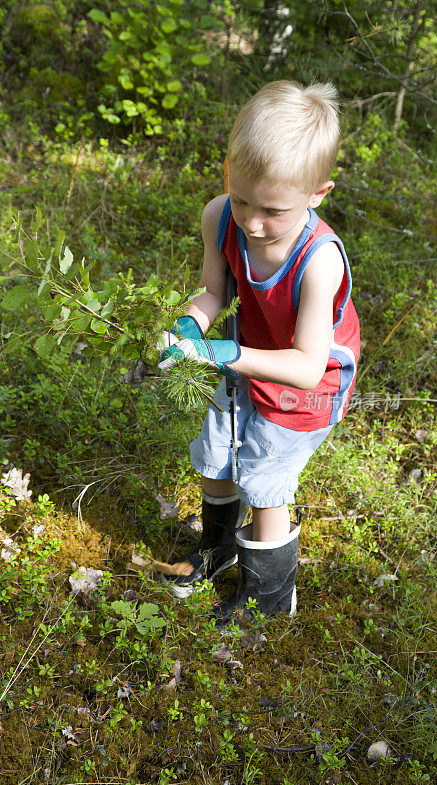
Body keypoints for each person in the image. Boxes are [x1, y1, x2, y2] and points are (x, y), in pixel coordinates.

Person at [158, 80, 360, 627]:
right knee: (218, 453)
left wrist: (227, 353)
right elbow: (214, 292)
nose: (251, 222)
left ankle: (270, 598)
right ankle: (219, 547)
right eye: (242, 198)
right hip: (244, 356)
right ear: (229, 172)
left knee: (265, 479)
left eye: (273, 210)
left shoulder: (319, 262)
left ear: (319, 192)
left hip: (305, 386)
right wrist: (190, 324)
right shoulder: (219, 216)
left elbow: (306, 365)